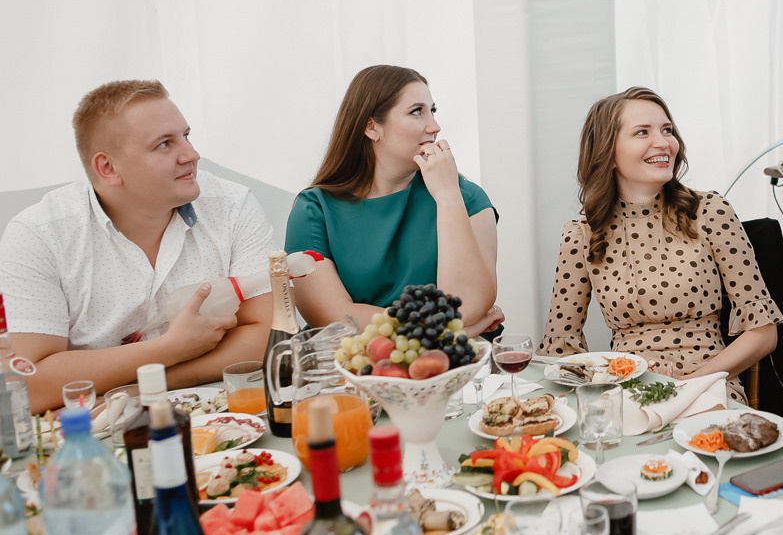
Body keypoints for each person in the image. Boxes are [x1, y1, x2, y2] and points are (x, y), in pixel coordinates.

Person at [0, 80, 274, 414]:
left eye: (185, 136)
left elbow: (266, 336)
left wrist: (141, 386)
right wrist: (170, 348)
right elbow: (31, 384)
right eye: (164, 144)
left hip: (229, 416)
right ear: (108, 168)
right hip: (97, 438)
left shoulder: (232, 205)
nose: (191, 154)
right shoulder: (38, 235)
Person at [538, 87, 783, 404]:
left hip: (708, 385)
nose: (663, 142)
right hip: (625, 389)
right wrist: (592, 397)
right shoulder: (581, 234)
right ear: (608, 153)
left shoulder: (710, 211)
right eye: (643, 132)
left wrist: (685, 385)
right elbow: (562, 344)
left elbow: (763, 333)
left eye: (666, 130)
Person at [284, 65, 500, 333]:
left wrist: (447, 197)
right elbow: (332, 317)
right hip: (355, 369)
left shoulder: (466, 198)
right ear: (371, 127)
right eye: (417, 112)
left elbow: (467, 307)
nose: (435, 126)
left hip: (458, 368)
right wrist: (442, 332)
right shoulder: (314, 210)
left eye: (432, 110)